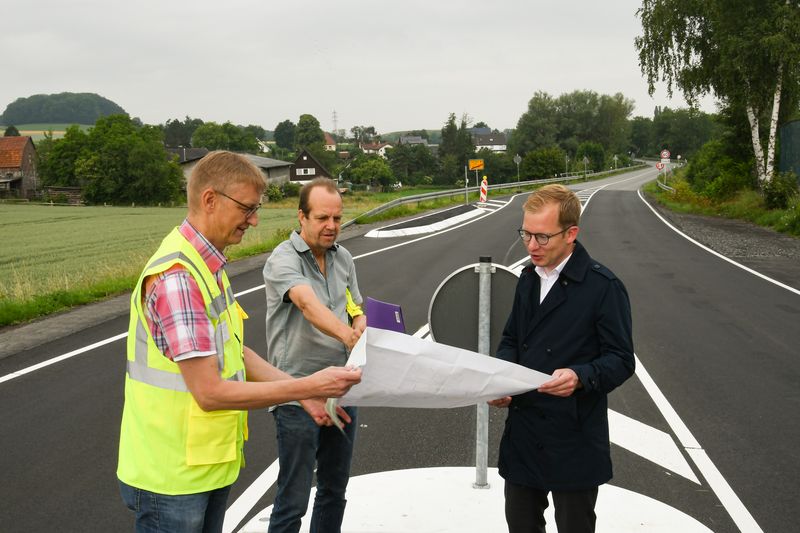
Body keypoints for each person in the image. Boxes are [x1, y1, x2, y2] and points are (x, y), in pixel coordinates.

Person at [117, 151, 361, 533]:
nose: (254, 219)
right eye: (247, 208)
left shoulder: (208, 267)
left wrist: (303, 394)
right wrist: (307, 387)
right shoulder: (180, 277)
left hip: (203, 469)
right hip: (171, 478)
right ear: (210, 200)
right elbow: (210, 392)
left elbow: (235, 353)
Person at [489, 184, 635, 533]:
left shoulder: (603, 287)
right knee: (520, 525)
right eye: (526, 234)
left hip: (574, 439)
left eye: (542, 237)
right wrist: (502, 379)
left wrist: (581, 376)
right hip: (524, 434)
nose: (531, 246)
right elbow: (511, 339)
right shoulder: (528, 279)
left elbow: (621, 359)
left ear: (571, 234)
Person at [263, 177, 367, 533]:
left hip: (342, 389)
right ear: (302, 217)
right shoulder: (282, 260)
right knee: (293, 500)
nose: (331, 226)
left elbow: (354, 306)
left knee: (334, 490)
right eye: (322, 218)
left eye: (337, 218)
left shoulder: (344, 258)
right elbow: (307, 304)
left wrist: (360, 323)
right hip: (298, 392)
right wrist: (348, 335)